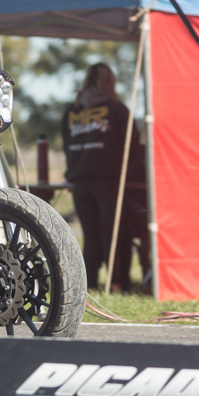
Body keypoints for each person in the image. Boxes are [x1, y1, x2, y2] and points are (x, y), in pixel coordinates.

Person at [62, 63, 147, 293]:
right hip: (108, 180)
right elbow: (133, 145)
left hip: (80, 181)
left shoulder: (72, 110)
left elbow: (67, 144)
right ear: (111, 81)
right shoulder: (116, 108)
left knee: (90, 236)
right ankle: (116, 284)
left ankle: (89, 285)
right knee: (113, 234)